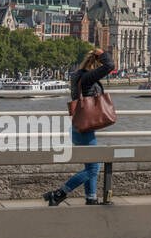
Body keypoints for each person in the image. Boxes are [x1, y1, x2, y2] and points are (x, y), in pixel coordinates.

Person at [44, 47, 116, 206]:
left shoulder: (76, 76)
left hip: (78, 127)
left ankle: (91, 198)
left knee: (90, 165)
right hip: (85, 130)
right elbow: (110, 66)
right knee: (93, 169)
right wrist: (102, 53)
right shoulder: (87, 78)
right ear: (97, 66)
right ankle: (58, 194)